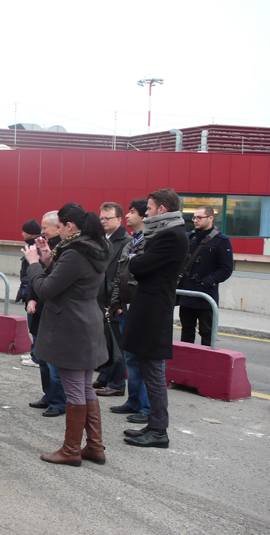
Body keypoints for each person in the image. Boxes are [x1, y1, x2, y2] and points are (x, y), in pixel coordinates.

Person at [23, 203, 109, 466]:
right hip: (86, 322)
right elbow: (70, 279)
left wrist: (35, 264)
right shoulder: (94, 247)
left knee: (74, 390)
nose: (54, 232)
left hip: (71, 326)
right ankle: (94, 446)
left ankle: (71, 450)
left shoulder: (74, 253)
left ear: (70, 226)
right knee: (84, 387)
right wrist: (49, 259)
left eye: (58, 226)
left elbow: (47, 289)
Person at [122, 188, 189, 448]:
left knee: (153, 372)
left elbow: (137, 266)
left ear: (161, 210)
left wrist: (135, 256)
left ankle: (159, 430)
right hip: (150, 307)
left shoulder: (170, 235)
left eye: (148, 209)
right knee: (149, 369)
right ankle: (154, 425)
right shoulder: (166, 233)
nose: (145, 214)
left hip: (154, 310)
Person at [108, 198, 153, 423]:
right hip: (124, 310)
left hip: (141, 310)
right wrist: (115, 303)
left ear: (144, 215)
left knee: (144, 360)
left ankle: (147, 407)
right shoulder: (131, 243)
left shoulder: (151, 242)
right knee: (131, 359)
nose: (127, 216)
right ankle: (134, 401)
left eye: (132, 212)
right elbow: (119, 277)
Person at [26, 211, 67, 418]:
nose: (41, 232)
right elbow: (36, 275)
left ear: (58, 227)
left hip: (55, 310)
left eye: (45, 228)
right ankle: (48, 395)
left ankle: (59, 401)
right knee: (41, 357)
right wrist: (31, 297)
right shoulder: (42, 245)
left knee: (53, 362)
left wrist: (42, 258)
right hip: (40, 306)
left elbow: (50, 277)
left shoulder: (63, 249)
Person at [177, 205, 234, 347]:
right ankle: (187, 363)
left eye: (199, 217)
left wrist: (208, 281)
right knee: (186, 332)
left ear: (210, 218)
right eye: (194, 217)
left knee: (207, 333)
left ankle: (207, 365)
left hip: (206, 296)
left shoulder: (221, 241)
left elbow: (226, 269)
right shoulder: (189, 237)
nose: (195, 220)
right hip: (187, 294)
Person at [93, 202, 131, 397]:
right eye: (102, 218)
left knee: (116, 343)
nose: (104, 221)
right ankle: (104, 376)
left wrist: (117, 300)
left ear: (119, 219)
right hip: (97, 297)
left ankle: (117, 383)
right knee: (103, 340)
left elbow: (123, 274)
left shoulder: (126, 241)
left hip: (113, 299)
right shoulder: (101, 239)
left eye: (108, 218)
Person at [18, 219, 42, 368]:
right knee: (33, 325)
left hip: (33, 291)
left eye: (24, 231)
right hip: (31, 290)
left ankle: (36, 357)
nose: (21, 233)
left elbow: (30, 273)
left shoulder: (35, 247)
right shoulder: (34, 245)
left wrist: (27, 292)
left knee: (34, 324)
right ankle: (35, 353)